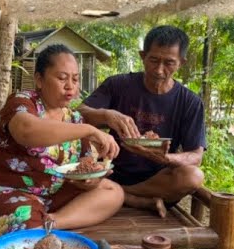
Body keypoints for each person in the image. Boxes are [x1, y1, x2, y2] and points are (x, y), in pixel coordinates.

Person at [0, 44, 123, 241]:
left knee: (113, 191)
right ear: (39, 80)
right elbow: (27, 130)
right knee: (24, 219)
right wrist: (90, 129)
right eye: (62, 78)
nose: (70, 86)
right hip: (2, 190)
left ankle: (52, 222)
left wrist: (90, 181)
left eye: (75, 79)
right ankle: (38, 226)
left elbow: (83, 171)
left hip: (51, 197)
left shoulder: (74, 119)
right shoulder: (22, 102)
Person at [79, 25, 207, 215]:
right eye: (153, 60)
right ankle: (134, 199)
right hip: (112, 171)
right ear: (142, 56)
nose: (159, 70)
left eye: (169, 63)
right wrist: (106, 115)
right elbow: (79, 113)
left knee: (193, 176)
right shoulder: (118, 84)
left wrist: (166, 158)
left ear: (181, 62)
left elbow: (196, 156)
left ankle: (124, 194)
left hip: (159, 181)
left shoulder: (190, 102)